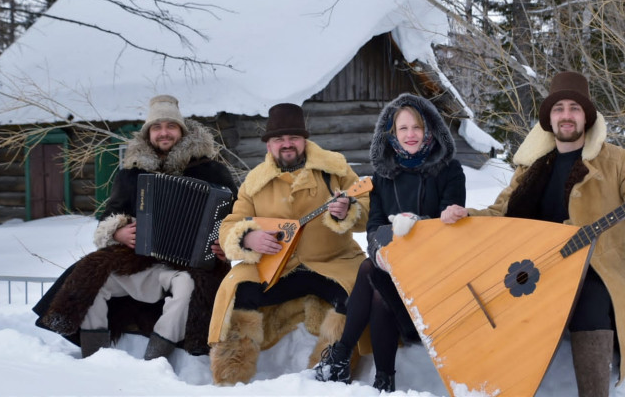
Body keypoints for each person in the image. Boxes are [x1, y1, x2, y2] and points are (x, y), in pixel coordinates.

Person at [440, 72, 625, 397]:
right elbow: (499, 215)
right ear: (549, 119)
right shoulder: (530, 167)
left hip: (600, 268)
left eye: (574, 108)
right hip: (539, 268)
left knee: (588, 298)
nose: (566, 115)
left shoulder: (619, 161)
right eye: (559, 109)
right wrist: (466, 216)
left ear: (587, 117)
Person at [34, 94, 238, 362]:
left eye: (170, 126)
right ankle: (94, 356)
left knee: (190, 287)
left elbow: (236, 218)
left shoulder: (213, 172)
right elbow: (109, 214)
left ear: (182, 131)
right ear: (148, 134)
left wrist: (225, 245)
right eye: (157, 127)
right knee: (92, 276)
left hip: (189, 266)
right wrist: (116, 230)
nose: (164, 133)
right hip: (140, 261)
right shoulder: (131, 174)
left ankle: (155, 359)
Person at [207, 102, 370, 386]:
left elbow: (368, 208)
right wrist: (248, 237)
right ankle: (231, 376)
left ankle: (330, 368)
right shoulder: (254, 182)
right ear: (268, 145)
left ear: (304, 140)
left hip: (333, 261)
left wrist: (349, 210)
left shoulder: (335, 170)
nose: (287, 145)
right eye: (278, 139)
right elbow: (230, 224)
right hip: (278, 268)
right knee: (237, 290)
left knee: (355, 294)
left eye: (293, 138)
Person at [314, 93, 466, 392]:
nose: (411, 135)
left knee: (370, 273)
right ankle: (382, 380)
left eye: (417, 128)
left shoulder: (449, 170)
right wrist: (385, 246)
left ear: (430, 130)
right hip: (395, 269)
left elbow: (452, 230)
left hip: (435, 273)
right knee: (376, 273)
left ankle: (343, 356)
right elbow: (373, 227)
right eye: (403, 128)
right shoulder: (384, 176)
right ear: (392, 133)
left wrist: (419, 225)